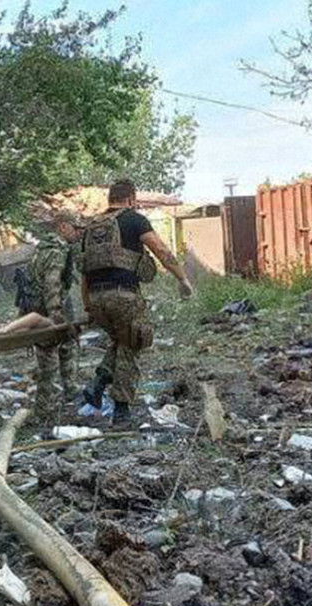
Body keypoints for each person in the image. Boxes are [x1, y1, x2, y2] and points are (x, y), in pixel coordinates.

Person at [80, 179, 194, 427]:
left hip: (97, 299)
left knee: (122, 341)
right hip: (124, 296)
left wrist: (88, 306)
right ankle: (121, 410)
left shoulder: (91, 228)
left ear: (110, 199)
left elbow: (85, 272)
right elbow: (161, 251)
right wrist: (182, 279)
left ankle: (98, 384)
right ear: (131, 199)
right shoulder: (134, 220)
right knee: (134, 342)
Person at [20, 214, 83, 426]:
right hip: (45, 312)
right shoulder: (55, 252)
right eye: (75, 228)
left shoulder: (44, 249)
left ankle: (70, 390)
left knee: (67, 347)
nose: (79, 232)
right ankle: (43, 410)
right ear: (63, 227)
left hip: (43, 309)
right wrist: (56, 315)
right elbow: (51, 284)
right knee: (48, 363)